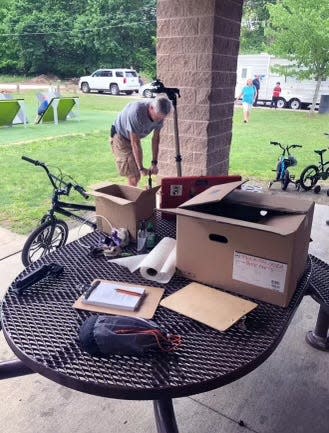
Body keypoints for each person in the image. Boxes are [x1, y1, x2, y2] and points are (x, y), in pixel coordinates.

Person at [110, 96, 172, 187]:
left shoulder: (160, 113)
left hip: (133, 138)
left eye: (161, 118)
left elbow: (155, 139)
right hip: (120, 137)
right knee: (134, 176)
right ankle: (131, 200)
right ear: (151, 108)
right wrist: (141, 168)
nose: (159, 120)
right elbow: (135, 143)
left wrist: (154, 163)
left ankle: (133, 198)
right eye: (157, 117)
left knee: (135, 175)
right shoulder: (136, 112)